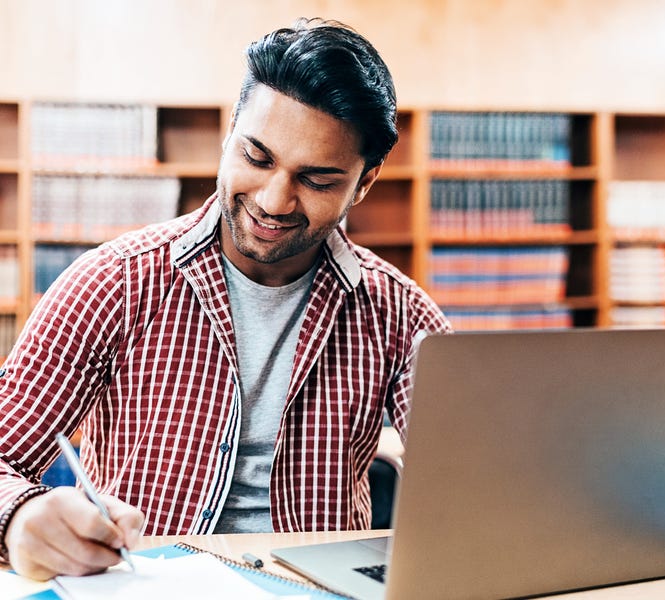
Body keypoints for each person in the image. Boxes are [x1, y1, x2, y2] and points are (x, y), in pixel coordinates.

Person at [0, 18, 451, 580]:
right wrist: (19, 517)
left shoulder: (401, 315)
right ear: (229, 133)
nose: (273, 200)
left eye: (316, 180)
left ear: (364, 183)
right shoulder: (114, 281)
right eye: (257, 157)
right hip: (145, 586)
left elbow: (478, 483)